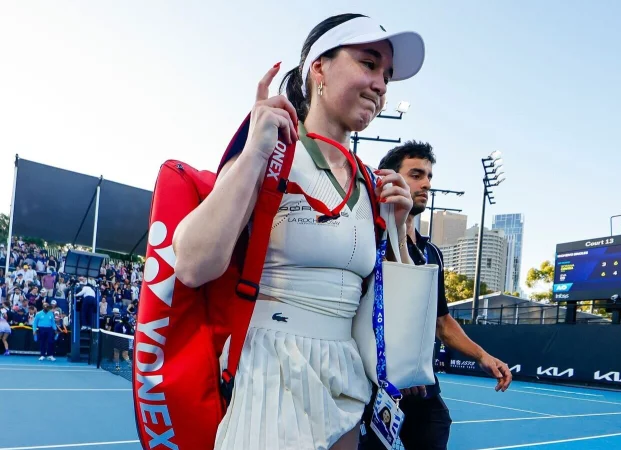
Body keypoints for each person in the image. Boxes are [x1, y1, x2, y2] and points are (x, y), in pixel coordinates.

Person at [172, 13, 425, 450]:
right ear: (319, 69)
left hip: (347, 377)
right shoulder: (272, 151)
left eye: (387, 75)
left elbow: (389, 317)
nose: (382, 85)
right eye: (369, 63)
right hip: (269, 371)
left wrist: (399, 235)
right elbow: (192, 264)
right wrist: (254, 151)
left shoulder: (369, 182)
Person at [359, 141, 514, 450]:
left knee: (435, 429)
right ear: (389, 178)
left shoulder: (432, 253)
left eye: (429, 176)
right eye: (416, 174)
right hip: (373, 389)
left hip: (422, 391)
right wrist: (398, 366)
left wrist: (482, 356)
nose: (427, 183)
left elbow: (441, 322)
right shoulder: (365, 238)